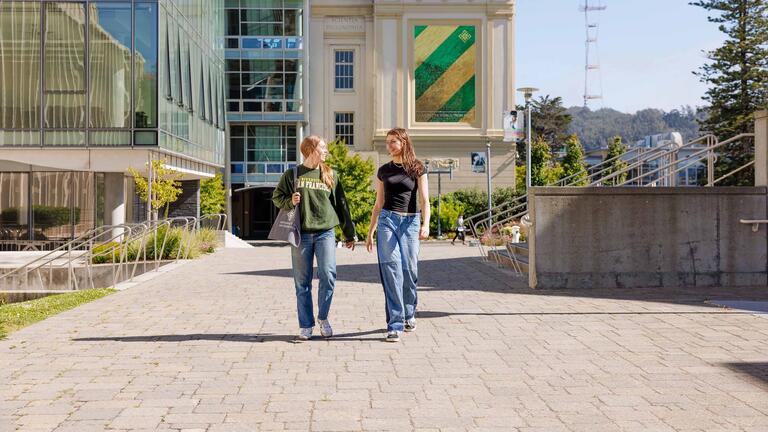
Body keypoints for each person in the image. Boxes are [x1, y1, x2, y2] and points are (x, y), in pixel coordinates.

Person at [272, 136, 356, 341]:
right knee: (302, 282)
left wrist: (349, 232)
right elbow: (277, 197)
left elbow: (341, 204)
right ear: (310, 150)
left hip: (326, 232)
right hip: (302, 234)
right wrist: (290, 201)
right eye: (323, 148)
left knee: (328, 275)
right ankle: (306, 325)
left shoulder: (330, 174)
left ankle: (323, 317)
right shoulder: (292, 174)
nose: (326, 151)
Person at [366, 127, 430, 342]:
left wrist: (426, 224)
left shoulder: (417, 168)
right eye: (387, 142)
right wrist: (371, 230)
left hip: (411, 222)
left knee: (409, 270)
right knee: (391, 270)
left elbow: (424, 201)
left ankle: (409, 312)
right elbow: (378, 203)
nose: (389, 146)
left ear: (404, 142)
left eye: (394, 141)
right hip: (387, 221)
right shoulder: (383, 170)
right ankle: (394, 323)